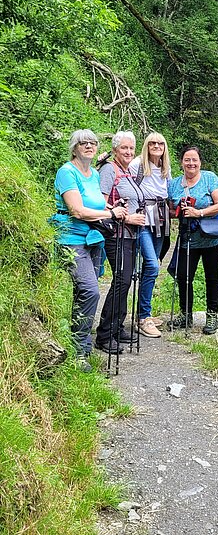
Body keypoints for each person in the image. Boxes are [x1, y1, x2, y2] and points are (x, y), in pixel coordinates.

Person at [53, 130, 126, 372]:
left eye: (92, 143)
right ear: (74, 148)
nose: (88, 146)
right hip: (71, 239)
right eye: (83, 143)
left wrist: (112, 206)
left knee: (84, 293)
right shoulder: (67, 172)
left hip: (93, 240)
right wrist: (110, 214)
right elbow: (77, 210)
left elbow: (94, 202)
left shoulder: (93, 173)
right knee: (90, 290)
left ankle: (78, 344)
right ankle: (80, 351)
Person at [95, 131, 146, 352]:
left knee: (127, 280)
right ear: (115, 150)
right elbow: (100, 203)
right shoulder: (109, 170)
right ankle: (104, 334)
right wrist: (128, 217)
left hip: (130, 235)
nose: (128, 152)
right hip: (116, 234)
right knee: (121, 280)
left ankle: (117, 327)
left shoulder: (127, 172)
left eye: (131, 149)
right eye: (124, 148)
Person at [168, 146, 218, 333]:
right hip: (187, 238)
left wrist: (198, 212)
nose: (191, 163)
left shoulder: (210, 178)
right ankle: (186, 314)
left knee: (211, 276)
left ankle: (212, 315)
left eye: (194, 160)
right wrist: (179, 211)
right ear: (181, 162)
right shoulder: (175, 184)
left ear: (200, 162)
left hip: (210, 238)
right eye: (187, 160)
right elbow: (170, 209)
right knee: (184, 276)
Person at [130, 132, 171, 338]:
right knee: (152, 265)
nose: (156, 146)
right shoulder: (137, 165)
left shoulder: (165, 168)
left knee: (152, 266)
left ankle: (143, 313)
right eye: (152, 143)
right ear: (146, 145)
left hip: (160, 219)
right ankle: (143, 317)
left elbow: (167, 192)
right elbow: (126, 188)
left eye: (160, 143)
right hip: (143, 219)